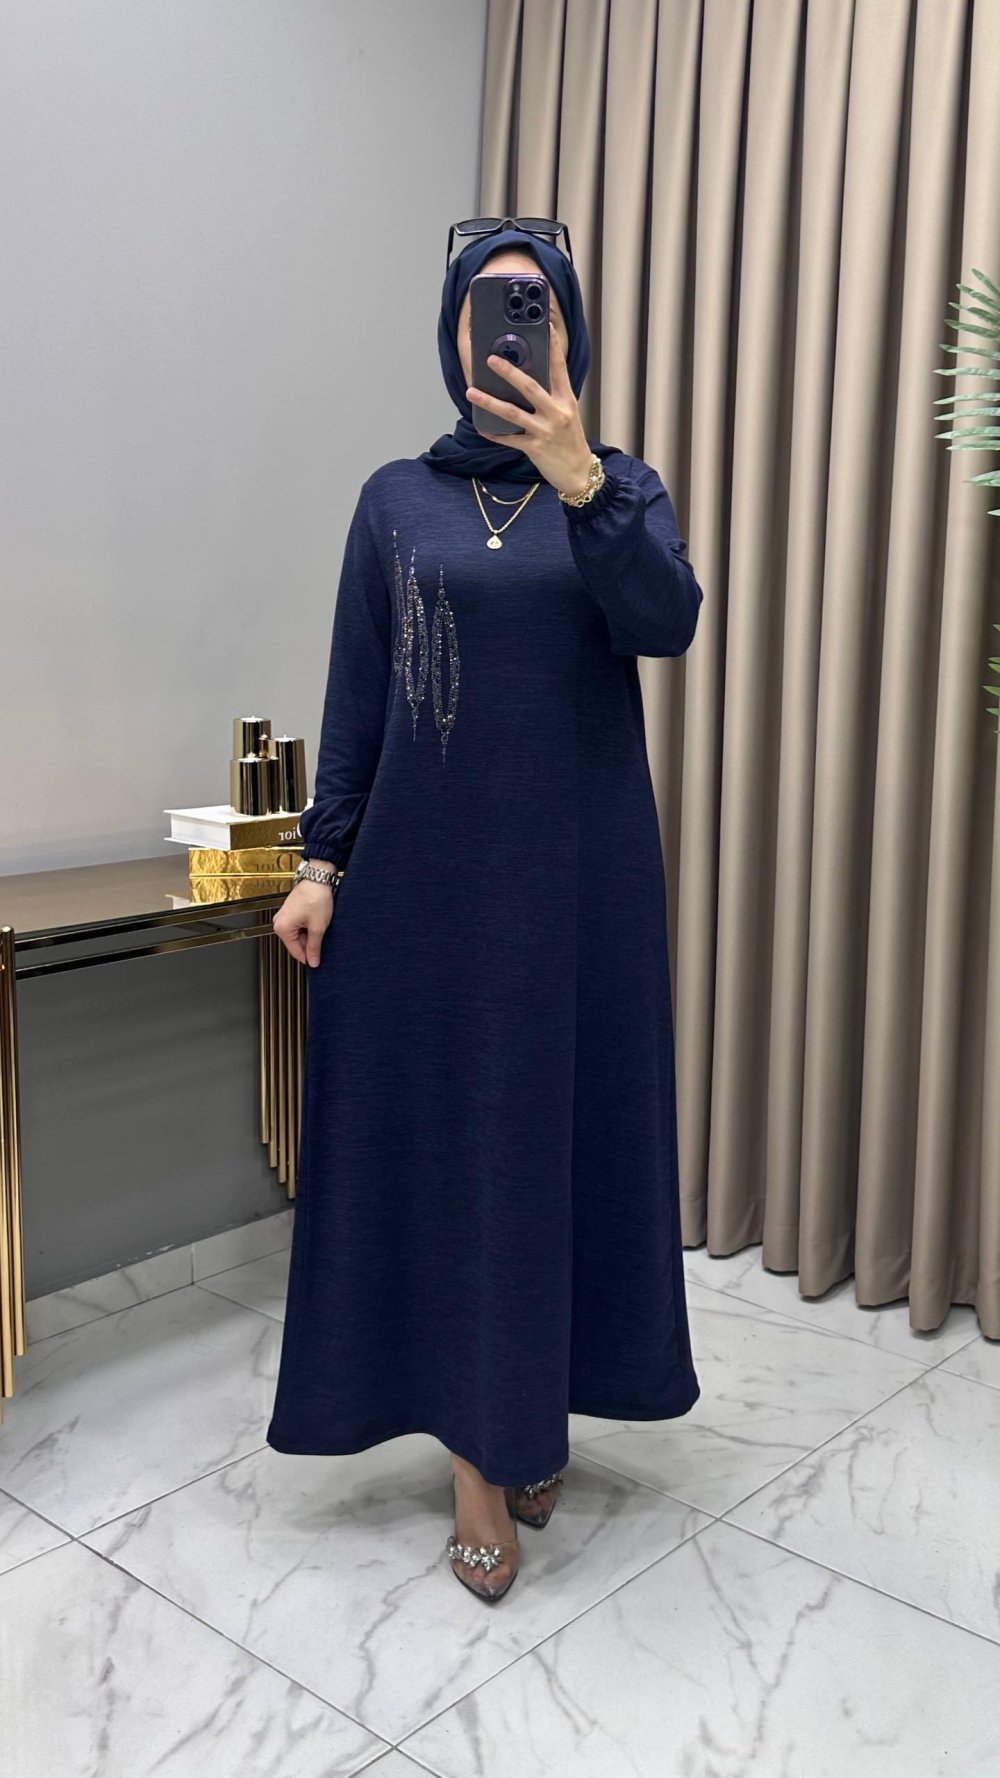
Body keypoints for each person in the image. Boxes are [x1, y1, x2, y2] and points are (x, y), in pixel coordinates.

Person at [267, 222, 703, 1604]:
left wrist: (582, 480)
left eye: (535, 307)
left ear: (567, 333)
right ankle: (477, 1463)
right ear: (454, 334)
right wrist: (322, 861)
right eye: (487, 307)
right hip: (426, 892)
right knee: (460, 1159)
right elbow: (358, 688)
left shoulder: (618, 486)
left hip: (579, 889)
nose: (511, 328)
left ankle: (534, 1413)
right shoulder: (395, 499)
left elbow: (667, 621)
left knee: (557, 1147)